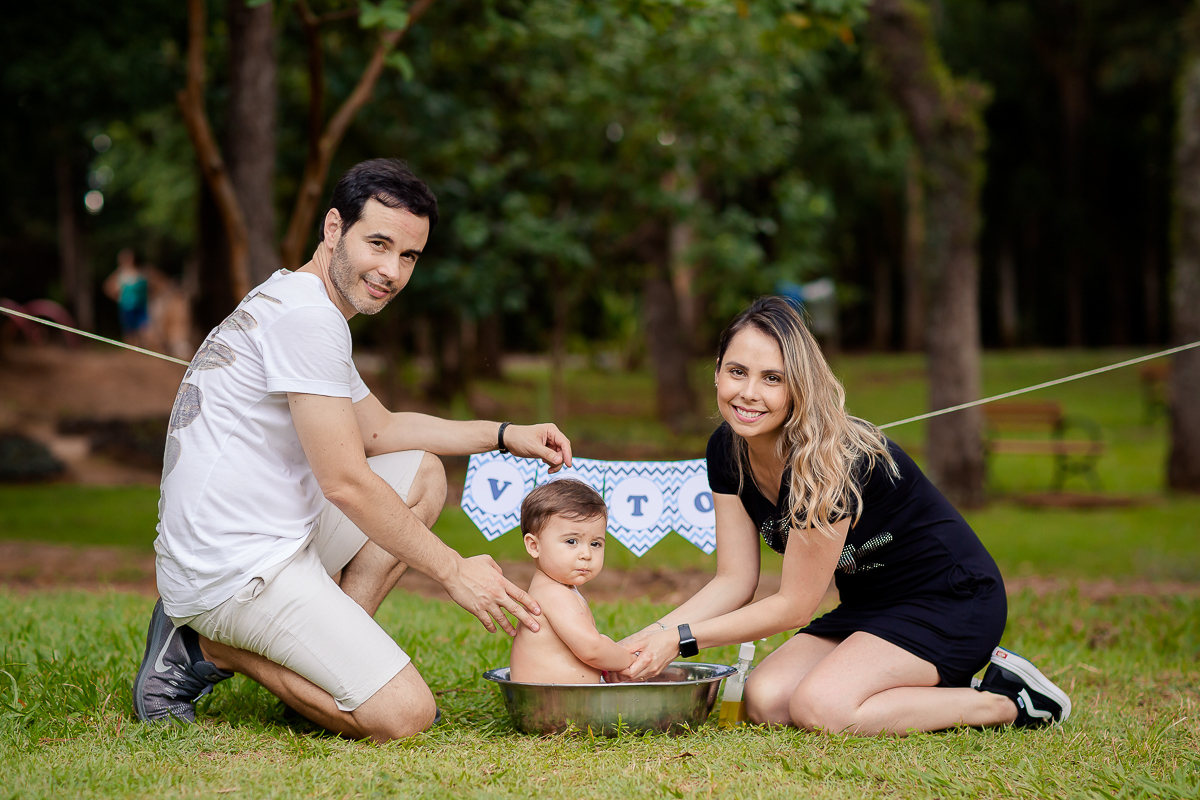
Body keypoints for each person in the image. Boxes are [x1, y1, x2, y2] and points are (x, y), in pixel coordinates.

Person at [133, 159, 572, 742]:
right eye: (379, 244)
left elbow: (380, 432)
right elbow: (345, 480)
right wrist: (453, 569)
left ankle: (327, 675)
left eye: (409, 256)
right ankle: (203, 648)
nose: (391, 271)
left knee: (422, 475)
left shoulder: (297, 294)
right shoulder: (311, 318)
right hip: (232, 568)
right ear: (334, 228)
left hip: (260, 533)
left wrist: (502, 433)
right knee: (405, 718)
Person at [619, 296, 1071, 735]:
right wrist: (645, 640)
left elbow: (795, 604)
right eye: (737, 372)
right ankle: (916, 688)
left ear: (799, 385)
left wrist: (680, 639)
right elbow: (735, 580)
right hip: (870, 606)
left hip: (950, 600)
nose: (749, 393)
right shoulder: (726, 448)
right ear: (716, 372)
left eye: (772, 378)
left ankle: (1006, 701)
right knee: (766, 698)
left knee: (821, 708)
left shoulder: (830, 461)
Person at [509, 480, 634, 684]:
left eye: (595, 544)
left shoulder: (556, 588)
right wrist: (627, 659)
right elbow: (592, 649)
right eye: (571, 541)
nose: (586, 554)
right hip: (554, 703)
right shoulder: (553, 594)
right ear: (534, 545)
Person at [103, 248, 149, 346]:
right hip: (127, 308)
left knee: (145, 332)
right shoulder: (119, 274)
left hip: (141, 307)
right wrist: (118, 298)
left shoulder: (140, 272)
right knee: (130, 335)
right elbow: (108, 287)